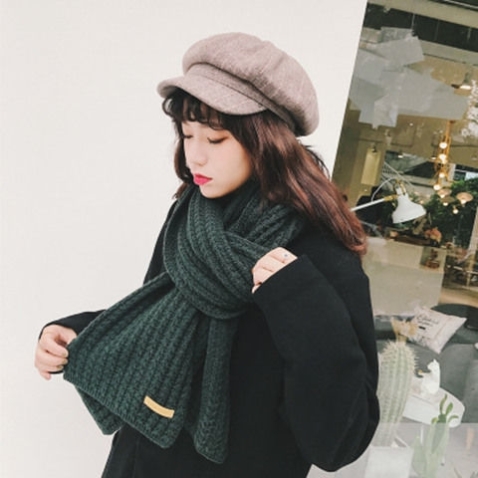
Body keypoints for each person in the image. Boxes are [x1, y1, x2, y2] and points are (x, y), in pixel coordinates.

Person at [34, 32, 379, 478]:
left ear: (268, 141)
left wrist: (299, 299)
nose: (194, 155)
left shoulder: (321, 254)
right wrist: (79, 331)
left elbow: (339, 442)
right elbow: (162, 317)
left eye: (215, 139)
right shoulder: (191, 219)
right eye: (187, 133)